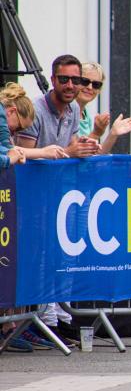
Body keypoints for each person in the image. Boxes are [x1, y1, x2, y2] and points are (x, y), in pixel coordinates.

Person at [16, 54, 101, 347]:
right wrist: (69, 152)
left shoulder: (75, 110)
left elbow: (73, 148)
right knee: (41, 258)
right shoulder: (38, 111)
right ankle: (43, 321)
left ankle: (62, 320)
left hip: (63, 195)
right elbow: (22, 155)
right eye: (63, 79)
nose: (70, 85)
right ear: (52, 80)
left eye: (75, 80)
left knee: (66, 255)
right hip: (34, 197)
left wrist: (92, 142)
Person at [0, 82, 60, 351]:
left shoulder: (4, 118)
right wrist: (25, 154)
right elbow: (5, 155)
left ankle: (10, 325)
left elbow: (8, 152)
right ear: (11, 111)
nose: (16, 134)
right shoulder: (1, 115)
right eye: (17, 128)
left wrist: (15, 154)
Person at [76, 61, 131, 153]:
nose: (90, 87)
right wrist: (96, 133)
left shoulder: (86, 116)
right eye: (84, 81)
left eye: (96, 85)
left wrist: (113, 133)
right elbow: (73, 154)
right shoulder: (64, 112)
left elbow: (94, 154)